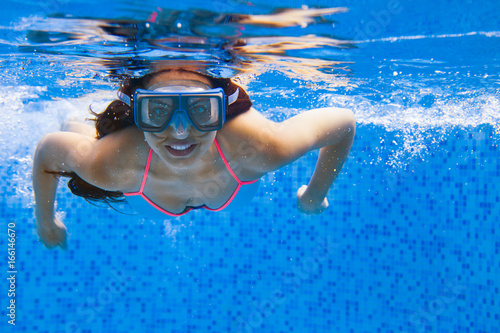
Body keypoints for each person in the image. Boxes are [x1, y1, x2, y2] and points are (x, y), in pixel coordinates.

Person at [33, 68, 356, 249]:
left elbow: (343, 124)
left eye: (200, 108)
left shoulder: (257, 146)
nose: (181, 131)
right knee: (85, 134)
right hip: (143, 179)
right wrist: (44, 221)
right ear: (139, 114)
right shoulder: (114, 161)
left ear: (221, 112)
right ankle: (75, 120)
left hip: (176, 183)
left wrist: (317, 194)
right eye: (158, 110)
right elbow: (49, 149)